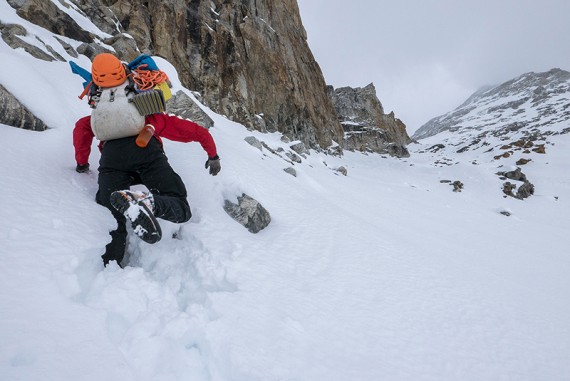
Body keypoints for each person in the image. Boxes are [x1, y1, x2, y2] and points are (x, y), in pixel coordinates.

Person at [73, 53, 221, 267]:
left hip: (112, 160)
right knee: (180, 205)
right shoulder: (148, 114)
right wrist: (212, 154)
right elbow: (193, 131)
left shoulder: (97, 114)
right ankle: (149, 203)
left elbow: (81, 133)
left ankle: (107, 267)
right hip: (147, 152)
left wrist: (82, 164)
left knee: (112, 218)